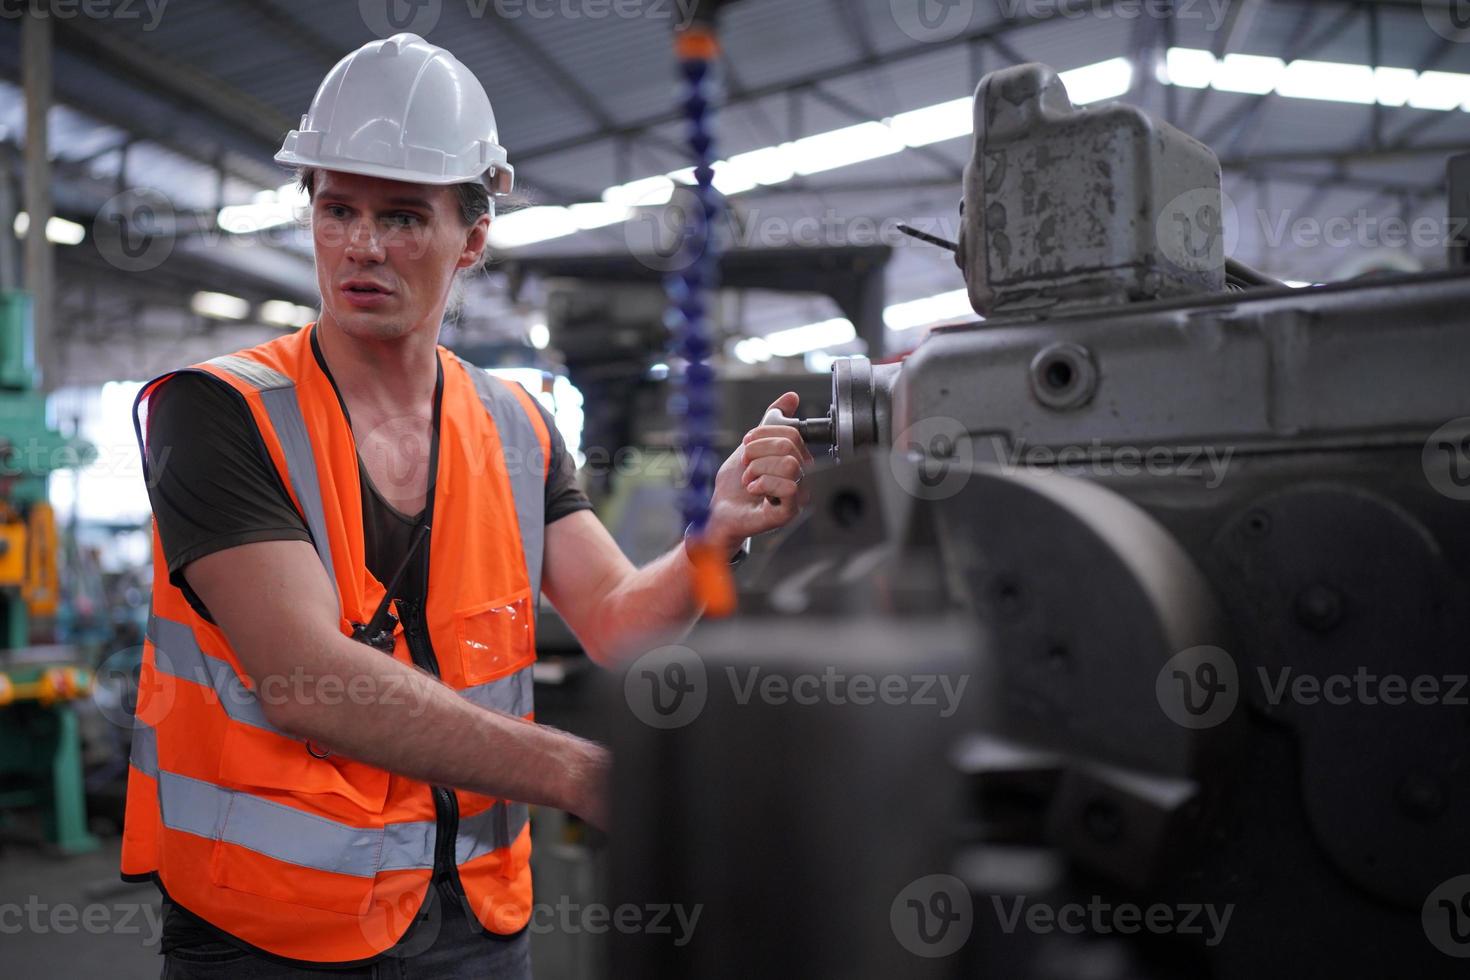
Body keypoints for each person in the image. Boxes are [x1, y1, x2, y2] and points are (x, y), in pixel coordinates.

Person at [120, 32, 811, 978]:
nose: (361, 245)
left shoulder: (515, 422)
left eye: (403, 217)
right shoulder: (218, 412)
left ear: (472, 236)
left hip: (476, 921)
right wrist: (583, 774)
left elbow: (615, 622)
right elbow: (308, 681)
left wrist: (713, 533)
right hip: (271, 929)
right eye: (337, 210)